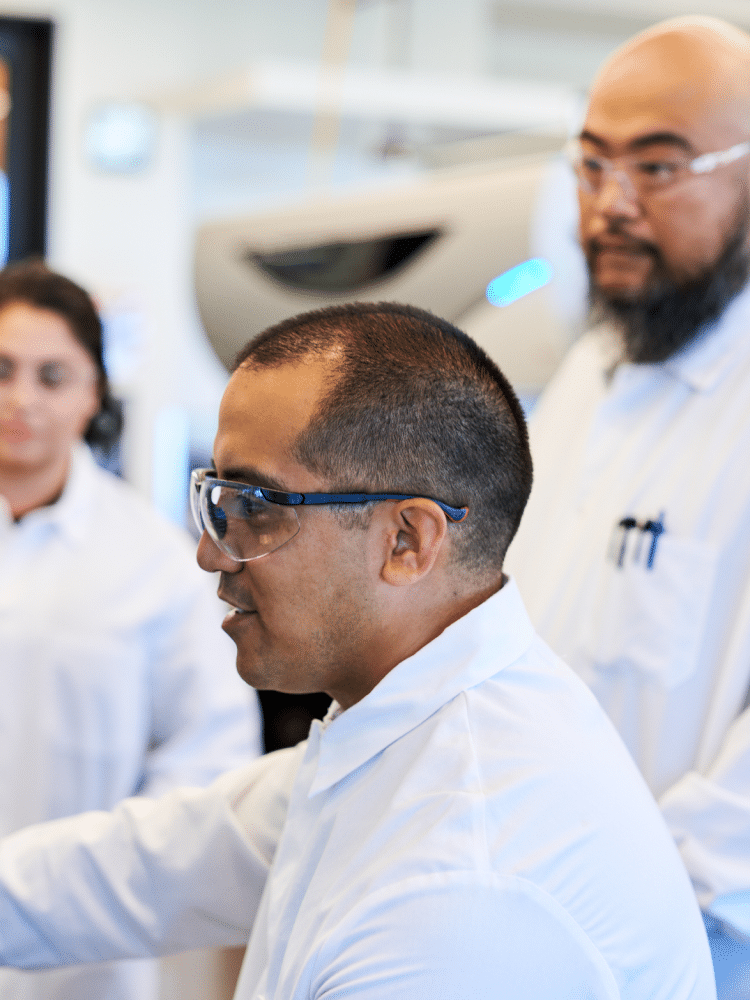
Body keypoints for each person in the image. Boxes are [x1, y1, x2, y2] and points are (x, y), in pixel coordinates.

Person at [0, 303, 715, 998]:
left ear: (407, 541)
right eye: (215, 502)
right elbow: (147, 865)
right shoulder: (402, 728)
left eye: (253, 507)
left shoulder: (463, 891)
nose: (209, 555)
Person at [503, 16, 750, 999]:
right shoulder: (590, 373)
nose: (610, 205)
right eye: (591, 164)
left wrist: (583, 914)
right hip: (526, 931)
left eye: (658, 169)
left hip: (682, 954)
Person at [0, 260, 262, 1000]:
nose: (22, 398)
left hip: (81, 955)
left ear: (93, 394)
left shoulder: (154, 563)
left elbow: (209, 756)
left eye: (52, 376)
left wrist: (99, 879)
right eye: (3, 369)